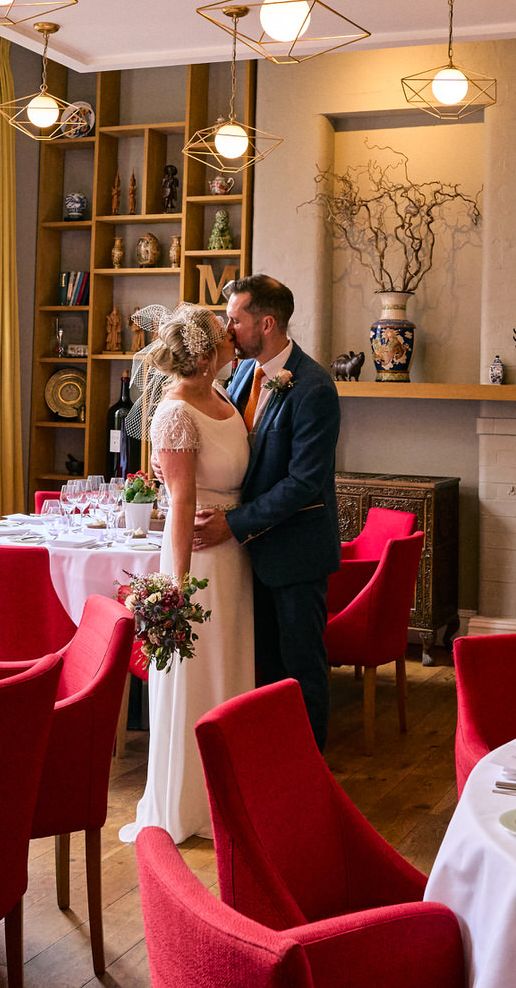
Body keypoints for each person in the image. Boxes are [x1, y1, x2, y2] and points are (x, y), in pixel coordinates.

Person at [118, 304, 255, 843]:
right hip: (197, 561)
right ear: (203, 354)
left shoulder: (222, 397)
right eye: (224, 336)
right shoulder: (175, 412)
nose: (233, 341)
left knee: (229, 672)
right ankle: (187, 803)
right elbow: (178, 502)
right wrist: (175, 586)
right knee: (196, 676)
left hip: (233, 557)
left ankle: (227, 798)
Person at [197, 275, 342, 748]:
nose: (227, 329)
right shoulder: (241, 374)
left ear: (267, 323)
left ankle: (309, 767)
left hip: (295, 553)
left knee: (300, 667)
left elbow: (303, 483)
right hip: (249, 553)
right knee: (261, 666)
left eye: (234, 320)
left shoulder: (314, 387)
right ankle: (268, 759)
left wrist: (234, 524)